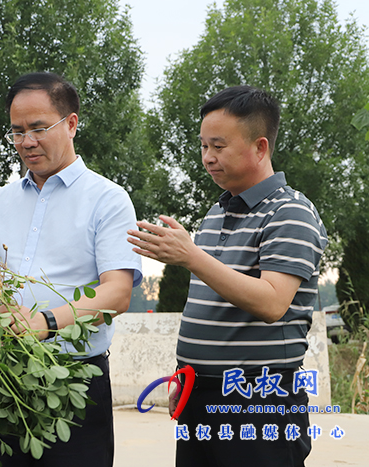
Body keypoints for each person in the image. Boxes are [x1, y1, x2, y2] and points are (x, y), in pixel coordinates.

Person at [127, 85, 327, 467]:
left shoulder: (289, 212)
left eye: (219, 146)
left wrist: (191, 256)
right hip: (199, 395)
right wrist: (188, 373)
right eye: (203, 146)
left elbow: (272, 302)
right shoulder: (215, 215)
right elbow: (210, 309)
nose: (208, 157)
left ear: (260, 147)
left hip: (258, 398)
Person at [0, 72, 143, 466]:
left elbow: (116, 294)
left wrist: (44, 322)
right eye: (16, 131)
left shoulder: (108, 200)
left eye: (38, 128)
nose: (26, 142)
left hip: (75, 382)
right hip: (7, 382)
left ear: (71, 124)